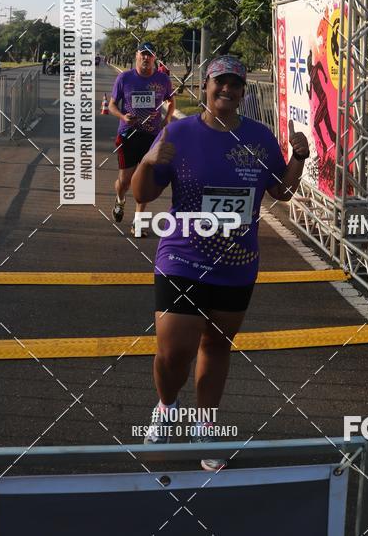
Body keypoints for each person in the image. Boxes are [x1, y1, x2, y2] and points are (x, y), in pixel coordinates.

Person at [131, 54, 309, 470]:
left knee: (216, 345)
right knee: (174, 352)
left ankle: (205, 424)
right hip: (182, 256)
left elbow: (280, 193)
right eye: (219, 81)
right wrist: (149, 160)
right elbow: (144, 194)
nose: (227, 89)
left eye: (235, 84)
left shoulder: (260, 138)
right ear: (206, 87)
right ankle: (167, 406)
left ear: (243, 92)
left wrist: (298, 158)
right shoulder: (179, 132)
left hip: (237, 261)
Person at [109, 41, 175, 237]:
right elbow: (112, 105)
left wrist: (167, 120)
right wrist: (122, 116)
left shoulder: (162, 79)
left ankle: (138, 224)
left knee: (144, 180)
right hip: (128, 135)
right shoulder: (125, 78)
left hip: (152, 136)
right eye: (143, 54)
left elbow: (171, 102)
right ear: (136, 55)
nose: (146, 58)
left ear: (154, 58)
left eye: (150, 55)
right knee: (126, 180)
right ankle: (120, 200)